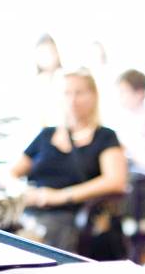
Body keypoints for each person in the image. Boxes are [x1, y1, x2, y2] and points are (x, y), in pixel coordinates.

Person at [10, 67, 128, 256]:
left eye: (79, 92)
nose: (72, 100)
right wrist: (25, 192)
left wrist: (59, 196)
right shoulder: (45, 135)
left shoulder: (105, 137)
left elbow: (116, 181)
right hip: (34, 213)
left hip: (75, 218)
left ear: (93, 95)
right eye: (66, 93)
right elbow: (11, 173)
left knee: (39, 238)